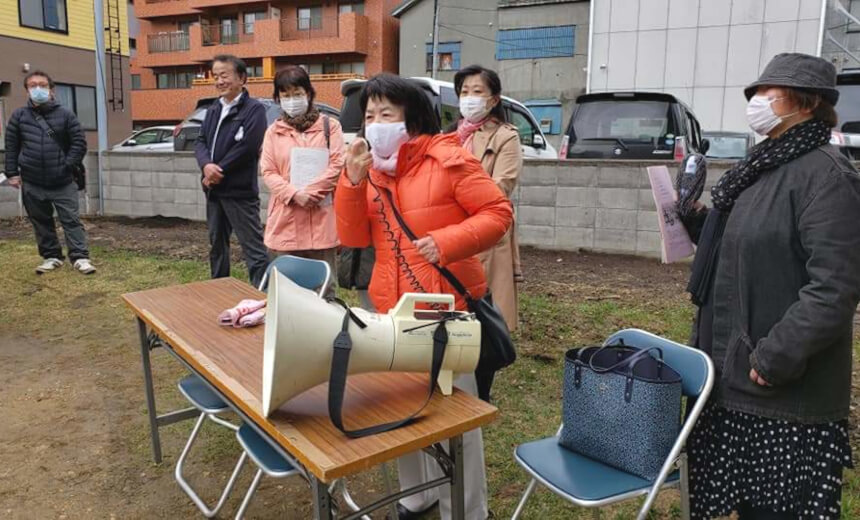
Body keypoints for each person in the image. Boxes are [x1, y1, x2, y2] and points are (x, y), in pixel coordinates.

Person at [681, 53, 860, 519]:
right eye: (755, 91)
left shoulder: (828, 176)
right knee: (742, 505)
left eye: (768, 91)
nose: (756, 100)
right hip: (729, 373)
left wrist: (775, 356)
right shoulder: (762, 165)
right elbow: (745, 244)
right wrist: (696, 219)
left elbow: (835, 286)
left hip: (779, 388)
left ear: (807, 102)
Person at [335, 73, 512, 520]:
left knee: (455, 417)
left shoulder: (447, 158)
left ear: (411, 118)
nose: (376, 124)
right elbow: (353, 236)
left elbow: (497, 212)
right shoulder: (371, 169)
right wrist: (351, 182)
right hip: (390, 309)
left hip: (445, 309)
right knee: (399, 407)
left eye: (386, 114)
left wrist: (448, 241)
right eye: (370, 116)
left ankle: (467, 510)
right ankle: (417, 496)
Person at [452, 64, 523, 331]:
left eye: (477, 91)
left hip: (485, 229)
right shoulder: (448, 136)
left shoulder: (506, 137)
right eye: (464, 92)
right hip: (448, 228)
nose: (469, 98)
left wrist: (455, 199)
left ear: (493, 100)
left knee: (486, 306)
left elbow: (501, 185)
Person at [260, 65, 344, 288]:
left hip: (321, 217)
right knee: (287, 288)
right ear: (278, 98)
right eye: (285, 95)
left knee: (324, 287)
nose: (292, 100)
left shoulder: (330, 126)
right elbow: (268, 171)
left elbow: (337, 164)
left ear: (308, 93)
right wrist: (294, 194)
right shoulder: (273, 132)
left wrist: (312, 193)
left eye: (297, 93)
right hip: (286, 219)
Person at [4, 70, 94, 275]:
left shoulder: (66, 114)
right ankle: (51, 256)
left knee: (71, 220)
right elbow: (11, 146)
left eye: (43, 85)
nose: (38, 89)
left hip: (63, 180)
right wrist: (12, 173)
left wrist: (67, 165)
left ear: (52, 90)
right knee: (41, 221)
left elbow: (79, 143)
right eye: (33, 85)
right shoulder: (19, 116)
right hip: (32, 180)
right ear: (27, 90)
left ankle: (80, 257)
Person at [194, 54, 269, 288]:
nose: (219, 81)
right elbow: (200, 141)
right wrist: (206, 165)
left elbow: (248, 146)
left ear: (242, 78)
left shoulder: (254, 109)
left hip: (239, 192)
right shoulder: (213, 108)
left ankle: (262, 295)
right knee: (217, 245)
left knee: (253, 248)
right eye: (215, 76)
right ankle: (219, 290)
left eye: (224, 75)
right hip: (214, 191)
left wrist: (218, 170)